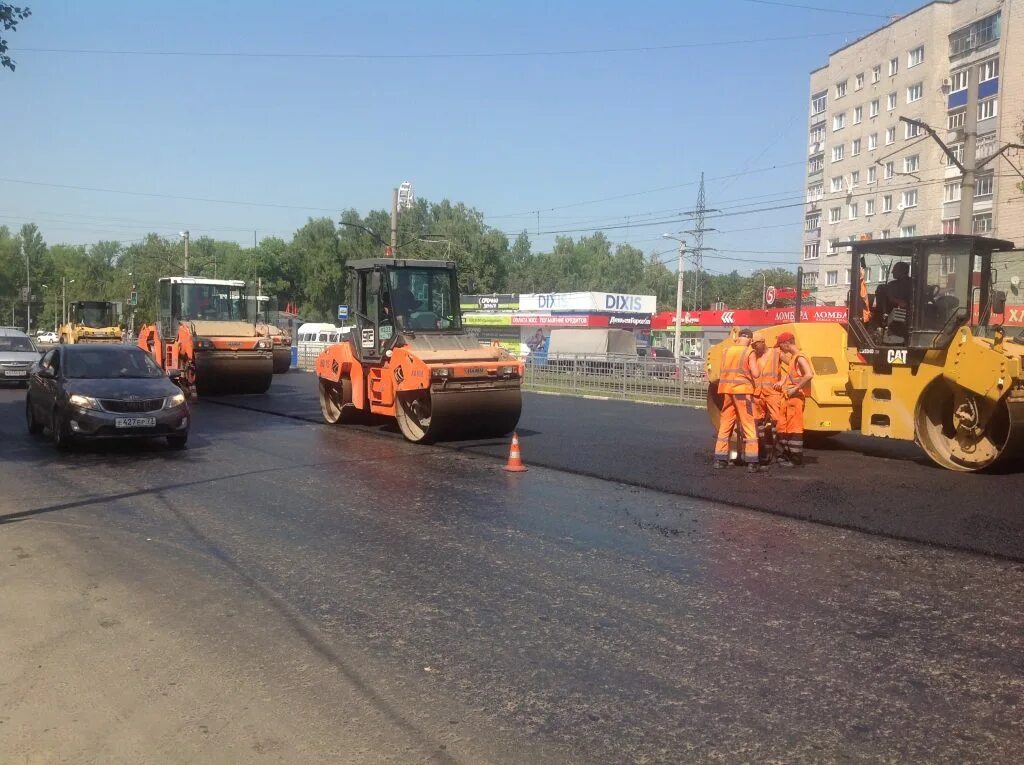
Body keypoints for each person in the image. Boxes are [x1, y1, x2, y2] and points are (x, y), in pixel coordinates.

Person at [713, 328, 761, 473]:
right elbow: (756, 373)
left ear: (739, 337)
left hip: (727, 390)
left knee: (725, 424)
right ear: (750, 340)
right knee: (748, 425)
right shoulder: (749, 352)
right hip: (742, 392)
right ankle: (752, 461)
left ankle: (720, 459)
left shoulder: (726, 351)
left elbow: (723, 370)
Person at [774, 332, 814, 468]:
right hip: (788, 399)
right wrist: (782, 382)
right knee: (783, 427)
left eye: (781, 346)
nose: (780, 349)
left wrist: (794, 389)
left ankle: (796, 459)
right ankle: (785, 455)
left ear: (787, 343)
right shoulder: (793, 358)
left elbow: (809, 375)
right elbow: (791, 376)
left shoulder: (800, 357)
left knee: (794, 428)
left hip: (795, 398)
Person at [752, 332, 783, 465]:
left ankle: (778, 452)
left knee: (777, 421)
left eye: (756, 344)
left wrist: (784, 381)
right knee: (757, 422)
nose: (754, 347)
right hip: (758, 393)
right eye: (753, 345)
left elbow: (794, 364)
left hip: (772, 393)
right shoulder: (754, 356)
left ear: (763, 342)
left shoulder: (776, 353)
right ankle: (762, 450)